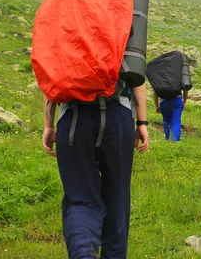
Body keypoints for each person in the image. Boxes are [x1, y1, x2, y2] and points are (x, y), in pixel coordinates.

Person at [42, 83, 149, 258]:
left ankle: (83, 253)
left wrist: (48, 124)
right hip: (117, 115)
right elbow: (137, 76)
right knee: (117, 198)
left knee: (79, 199)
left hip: (72, 117)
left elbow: (49, 74)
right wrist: (142, 122)